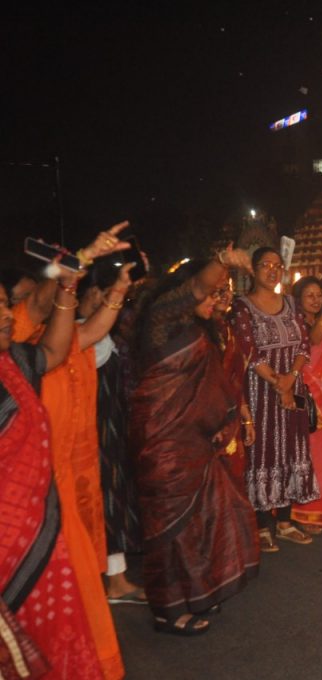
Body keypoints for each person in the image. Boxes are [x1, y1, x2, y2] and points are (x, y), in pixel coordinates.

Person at [1, 224, 131, 679]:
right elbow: (40, 306)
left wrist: (78, 279)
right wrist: (75, 261)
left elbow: (65, 338)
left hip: (45, 517)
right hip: (10, 539)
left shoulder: (19, 362)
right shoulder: (19, 345)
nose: (5, 314)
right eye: (4, 305)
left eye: (4, 304)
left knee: (63, 619)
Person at [131, 250, 260, 636]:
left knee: (203, 520)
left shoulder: (202, 329)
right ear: (183, 295)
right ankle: (166, 611)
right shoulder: (161, 322)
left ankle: (198, 593)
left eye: (220, 294)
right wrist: (223, 259)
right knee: (170, 528)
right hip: (163, 442)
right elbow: (199, 285)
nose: (215, 300)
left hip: (195, 441)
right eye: (209, 294)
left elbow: (212, 386)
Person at [231, 247, 317, 551]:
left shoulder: (291, 304)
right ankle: (262, 524)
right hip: (259, 391)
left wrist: (290, 380)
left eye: (277, 265)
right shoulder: (242, 307)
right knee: (262, 451)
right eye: (265, 265)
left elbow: (303, 345)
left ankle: (284, 521)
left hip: (291, 389)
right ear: (253, 270)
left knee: (291, 450)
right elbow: (248, 350)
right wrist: (278, 384)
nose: (272, 270)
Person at [77, 263, 144, 605]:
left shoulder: (100, 336)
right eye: (101, 295)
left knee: (113, 498)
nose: (107, 303)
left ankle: (116, 578)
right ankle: (113, 581)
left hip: (111, 427)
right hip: (94, 432)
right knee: (105, 501)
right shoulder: (78, 335)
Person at [290, 276, 322, 531]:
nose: (316, 300)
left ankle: (321, 510)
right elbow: (311, 345)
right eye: (309, 295)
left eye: (318, 295)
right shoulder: (296, 324)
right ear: (298, 299)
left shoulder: (321, 323)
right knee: (306, 456)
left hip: (321, 399)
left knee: (321, 456)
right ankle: (304, 514)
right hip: (305, 399)